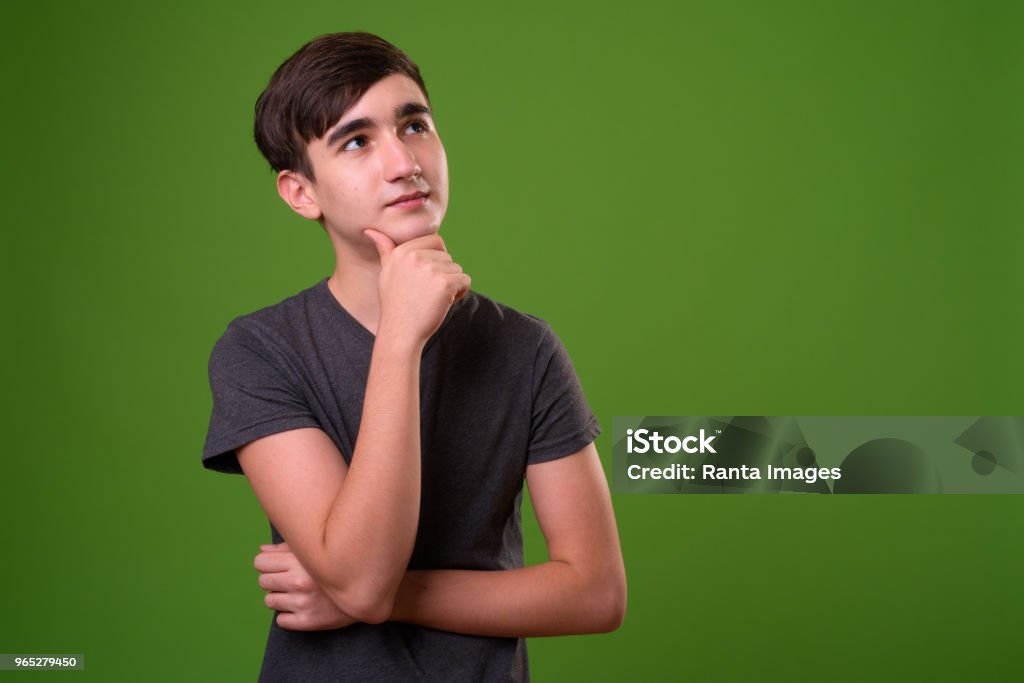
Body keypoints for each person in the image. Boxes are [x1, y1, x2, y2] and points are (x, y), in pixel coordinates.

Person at [202, 32, 626, 682]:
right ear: (300, 193)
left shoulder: (526, 348)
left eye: (415, 124)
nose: (403, 161)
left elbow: (595, 592)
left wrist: (367, 595)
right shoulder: (260, 350)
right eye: (356, 140)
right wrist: (400, 339)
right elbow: (362, 580)